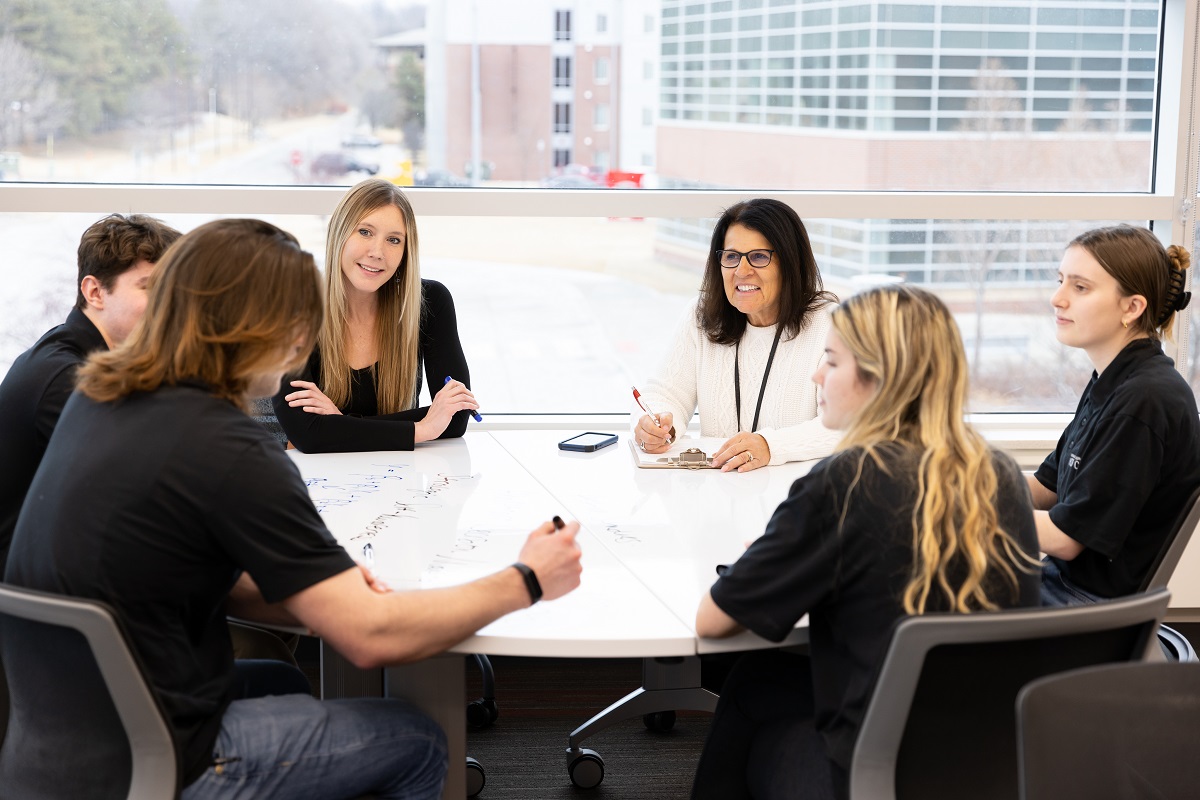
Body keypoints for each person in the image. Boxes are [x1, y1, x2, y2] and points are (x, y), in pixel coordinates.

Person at [2, 219, 583, 800]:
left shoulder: (104, 393)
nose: (306, 342)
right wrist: (527, 578)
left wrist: (322, 596)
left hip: (52, 747)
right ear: (260, 328)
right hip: (157, 756)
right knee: (417, 741)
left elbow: (172, 565)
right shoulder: (229, 446)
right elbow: (370, 638)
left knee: (280, 678)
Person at [691, 285, 1041, 800]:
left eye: (830, 362)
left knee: (746, 681)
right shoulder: (1000, 473)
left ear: (877, 378)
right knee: (761, 681)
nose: (816, 376)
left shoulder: (846, 481)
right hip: (986, 760)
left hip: (872, 767)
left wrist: (763, 559)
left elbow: (712, 621)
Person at [1030, 225, 1200, 606]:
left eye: (1080, 287)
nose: (1057, 299)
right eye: (1060, 281)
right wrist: (965, 480)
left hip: (1086, 606)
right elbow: (1048, 489)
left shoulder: (1145, 401)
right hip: (1062, 585)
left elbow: (1065, 539)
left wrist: (966, 511)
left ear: (1132, 307)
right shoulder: (1115, 381)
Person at [0, 213, 180, 569]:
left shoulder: (91, 354)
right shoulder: (68, 377)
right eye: (150, 287)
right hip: (36, 588)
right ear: (95, 292)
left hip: (65, 558)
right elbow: (142, 489)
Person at [632, 198, 840, 472]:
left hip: (795, 499)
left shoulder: (830, 324)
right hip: (718, 495)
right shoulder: (701, 316)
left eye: (758, 256)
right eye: (731, 257)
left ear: (790, 262)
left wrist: (770, 445)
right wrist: (658, 426)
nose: (742, 271)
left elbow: (845, 425)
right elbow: (664, 392)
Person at [273, 178, 478, 452]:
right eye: (365, 232)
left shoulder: (429, 302)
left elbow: (456, 417)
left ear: (406, 252)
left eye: (394, 240)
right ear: (339, 233)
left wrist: (340, 424)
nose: (377, 252)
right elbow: (308, 435)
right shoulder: (292, 307)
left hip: (397, 479)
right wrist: (423, 428)